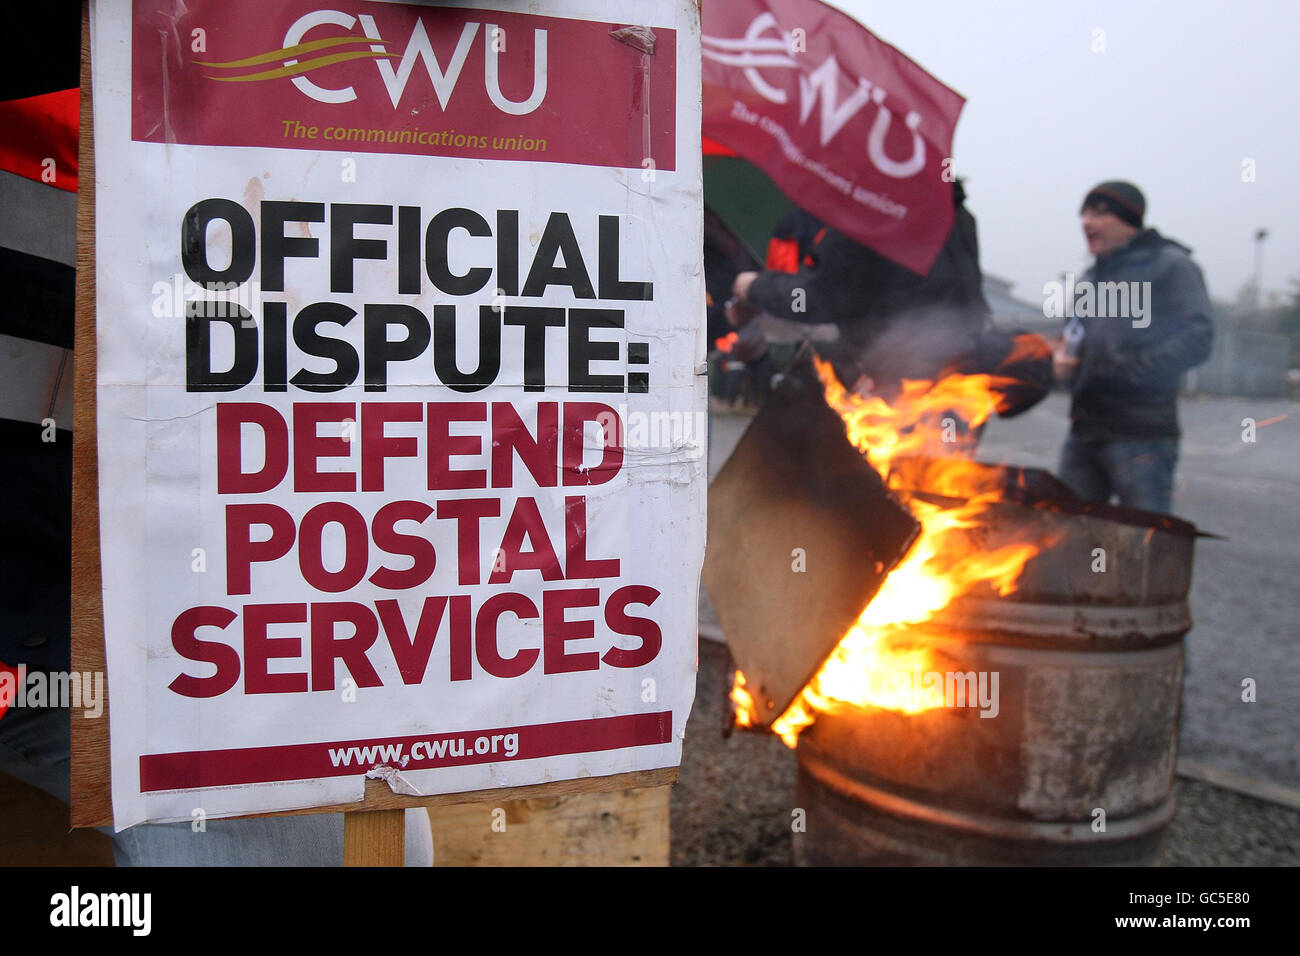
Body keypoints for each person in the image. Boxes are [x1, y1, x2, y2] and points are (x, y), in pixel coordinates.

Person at [1052, 181, 1213, 514]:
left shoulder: (1171, 266)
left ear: (1129, 219)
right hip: (1085, 429)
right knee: (1066, 531)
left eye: (1099, 213)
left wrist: (1127, 372)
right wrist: (1066, 367)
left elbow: (1197, 338)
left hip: (1141, 434)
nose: (1086, 223)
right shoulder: (1089, 279)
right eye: (1084, 213)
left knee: (1144, 540)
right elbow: (1075, 337)